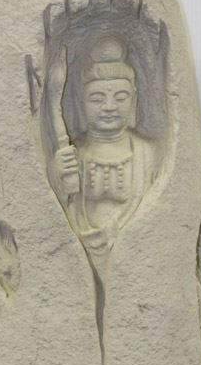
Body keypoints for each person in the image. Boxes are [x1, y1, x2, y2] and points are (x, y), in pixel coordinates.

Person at [49, 33, 159, 282]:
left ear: (134, 99)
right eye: (97, 98)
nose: (109, 106)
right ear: (80, 103)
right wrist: (56, 178)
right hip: (80, 261)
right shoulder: (75, 154)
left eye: (120, 97)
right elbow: (49, 216)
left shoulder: (149, 154)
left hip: (136, 262)